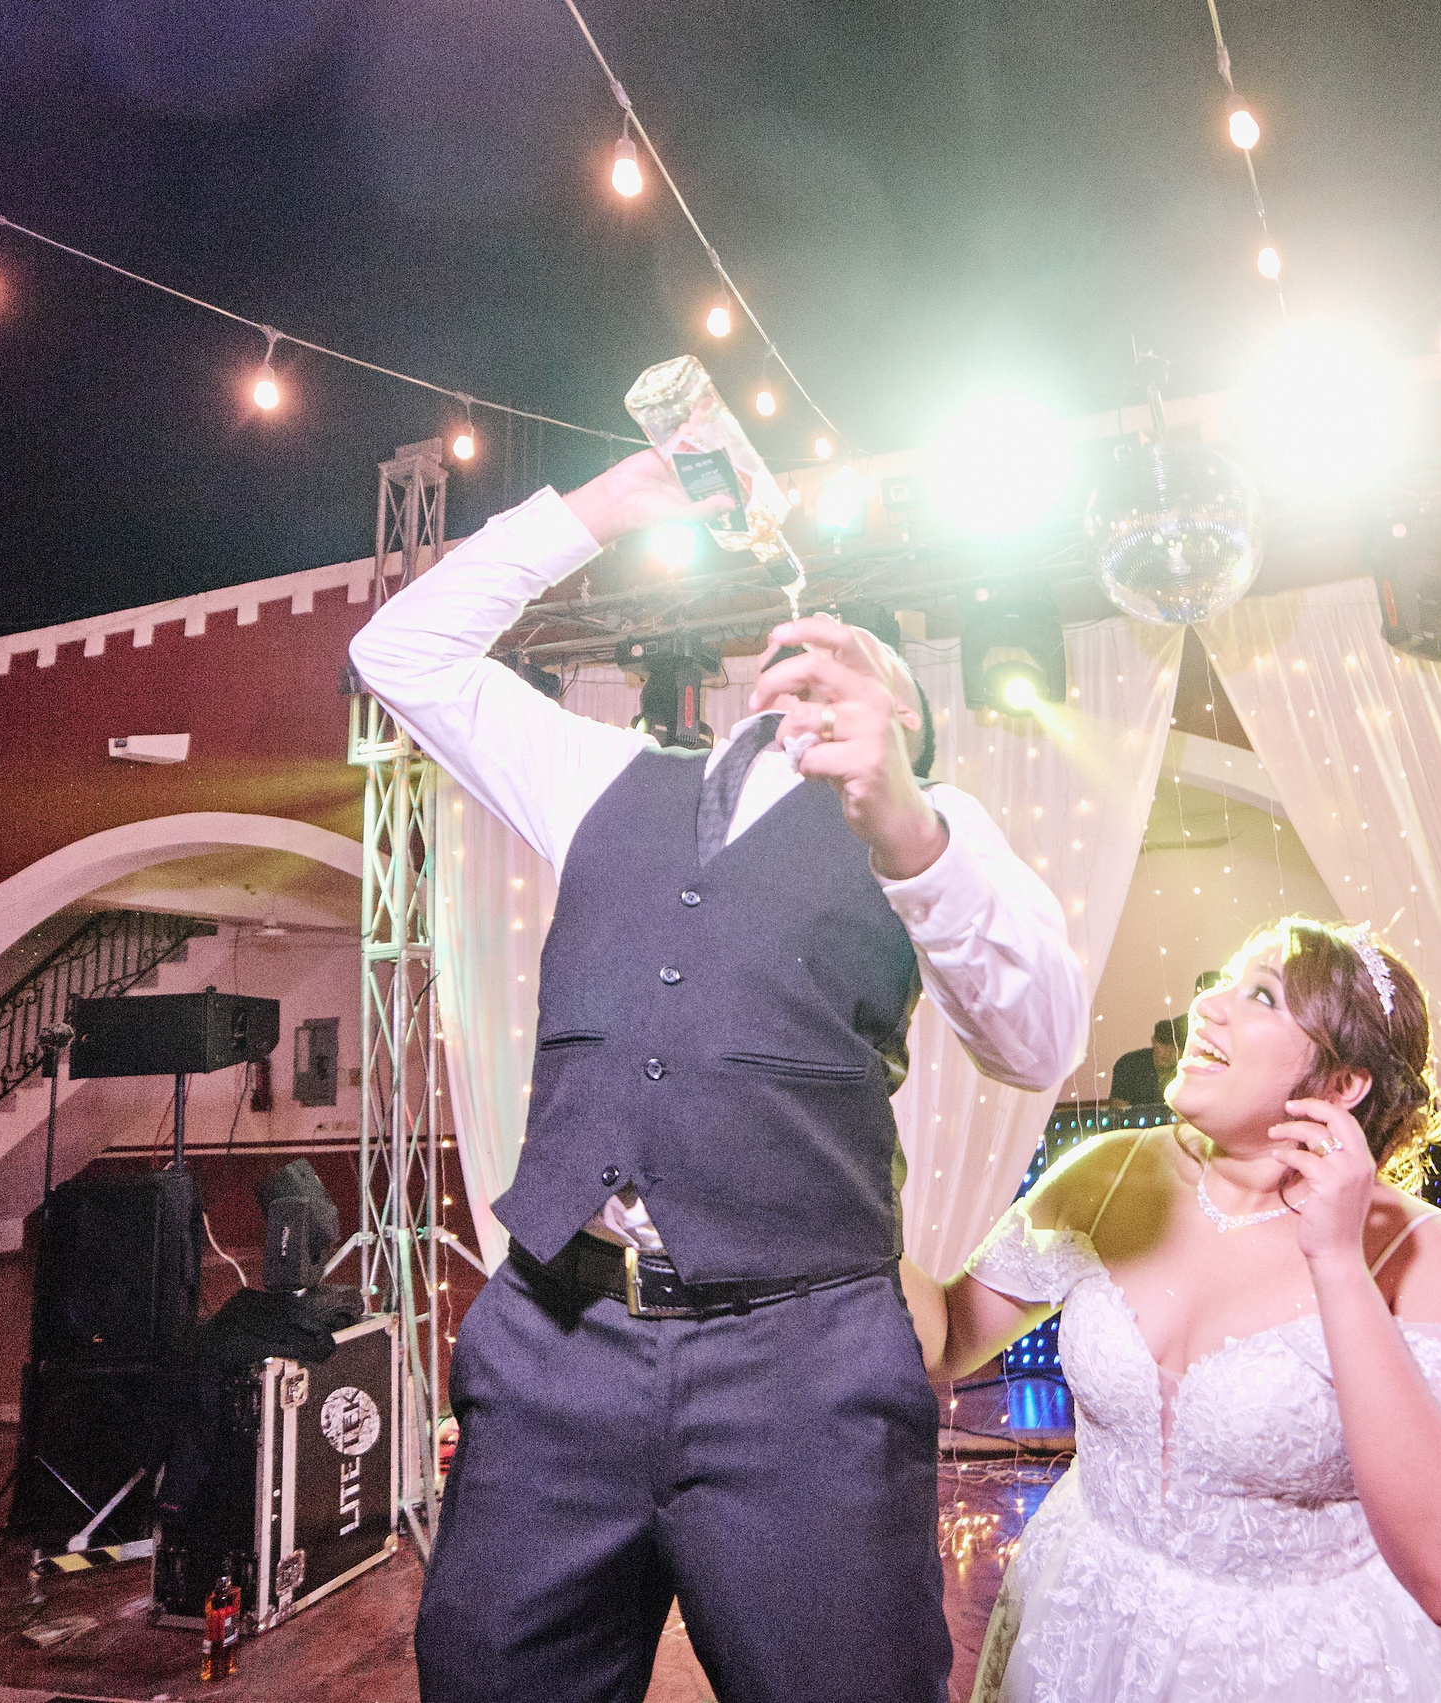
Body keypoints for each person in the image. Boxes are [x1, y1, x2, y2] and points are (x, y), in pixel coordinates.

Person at [349, 449, 1086, 1703]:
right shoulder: (606, 779)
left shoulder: (935, 829)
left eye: (861, 670)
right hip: (554, 1341)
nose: (817, 669)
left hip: (801, 1362)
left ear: (905, 717)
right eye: (804, 654)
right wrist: (601, 511)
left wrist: (903, 817)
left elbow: (1036, 1041)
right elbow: (399, 655)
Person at [908, 918, 1441, 1701]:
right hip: (1090, 1619)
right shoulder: (1108, 1173)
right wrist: (838, 1171)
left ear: (1341, 1086)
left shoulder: (1423, 1252)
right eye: (1221, 983)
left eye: (1260, 993)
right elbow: (945, 1340)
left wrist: (1337, 1262)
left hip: (1310, 1662)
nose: (1208, 1006)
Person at [1107, 1017, 1180, 1105]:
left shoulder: (1188, 1070)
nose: (1167, 1053)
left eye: (1175, 1048)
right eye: (1163, 1045)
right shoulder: (1129, 1064)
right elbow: (1118, 1109)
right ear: (1153, 1041)